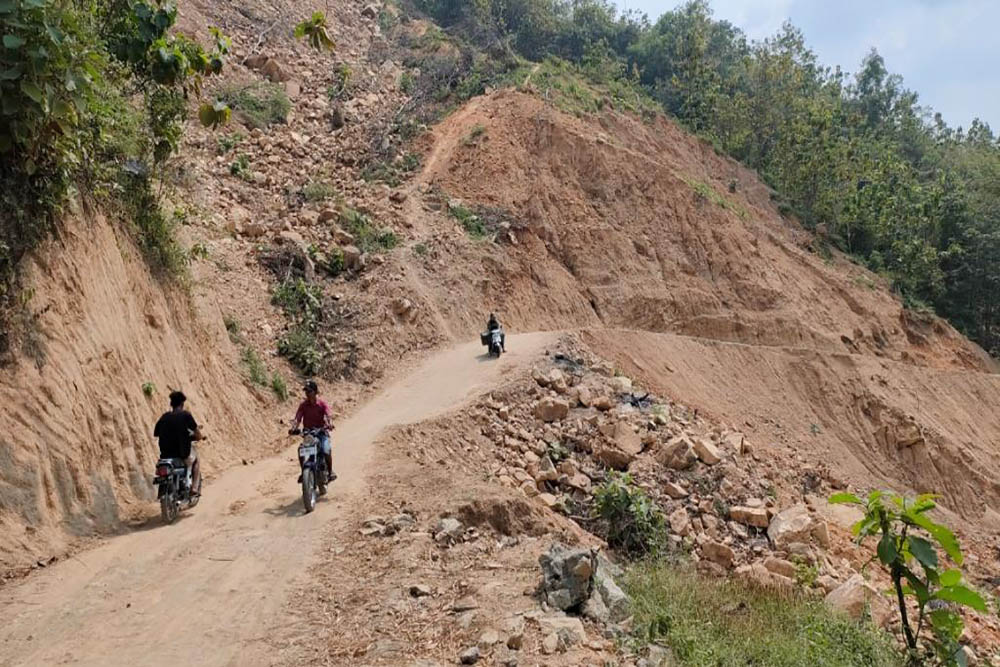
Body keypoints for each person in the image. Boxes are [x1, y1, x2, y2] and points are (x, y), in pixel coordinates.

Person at [153, 391, 204, 495]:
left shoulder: (164, 417)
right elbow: (198, 434)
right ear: (182, 404)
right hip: (182, 454)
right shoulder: (186, 415)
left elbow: (156, 433)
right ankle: (194, 488)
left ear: (171, 404)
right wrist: (197, 437)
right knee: (196, 460)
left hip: (165, 455)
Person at [289, 380, 335, 482]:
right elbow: (298, 418)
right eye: (306, 392)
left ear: (315, 392)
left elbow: (328, 415)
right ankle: (303, 473)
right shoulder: (303, 405)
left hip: (321, 432)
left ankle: (330, 472)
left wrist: (329, 423)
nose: (307, 394)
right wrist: (294, 428)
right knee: (301, 450)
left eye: (309, 391)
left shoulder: (322, 404)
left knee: (326, 449)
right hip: (308, 434)